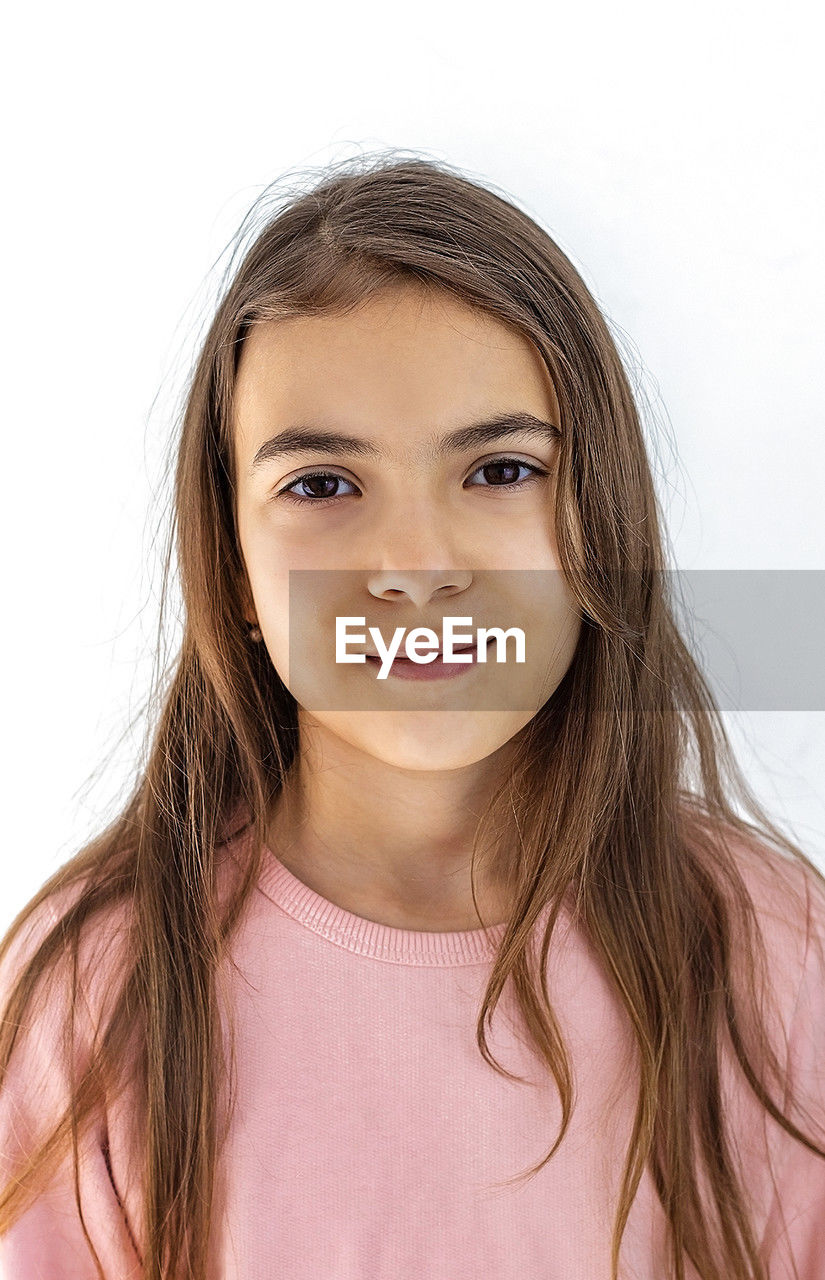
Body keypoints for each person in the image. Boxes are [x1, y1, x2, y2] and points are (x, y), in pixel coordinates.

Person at [1, 153, 823, 1280]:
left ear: (603, 521)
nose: (419, 567)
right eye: (323, 485)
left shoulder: (777, 957)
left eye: (498, 469)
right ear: (235, 570)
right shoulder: (102, 988)